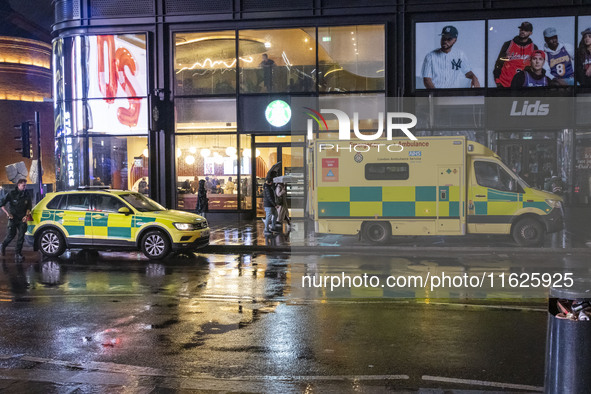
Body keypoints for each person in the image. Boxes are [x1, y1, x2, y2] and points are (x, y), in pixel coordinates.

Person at [494, 21, 538, 88]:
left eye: (526, 30)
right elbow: (498, 63)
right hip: (506, 84)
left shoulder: (533, 47)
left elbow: (537, 67)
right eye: (521, 29)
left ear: (530, 33)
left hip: (525, 85)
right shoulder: (508, 44)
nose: (523, 31)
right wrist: (498, 81)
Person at [0, 179, 32, 262]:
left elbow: (29, 207)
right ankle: (3, 245)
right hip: (13, 218)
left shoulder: (27, 194)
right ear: (18, 185)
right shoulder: (11, 194)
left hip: (22, 219)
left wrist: (26, 216)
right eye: (23, 185)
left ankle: (18, 253)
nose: (25, 187)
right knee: (11, 235)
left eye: (25, 185)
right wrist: (7, 213)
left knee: (21, 236)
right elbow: (2, 204)